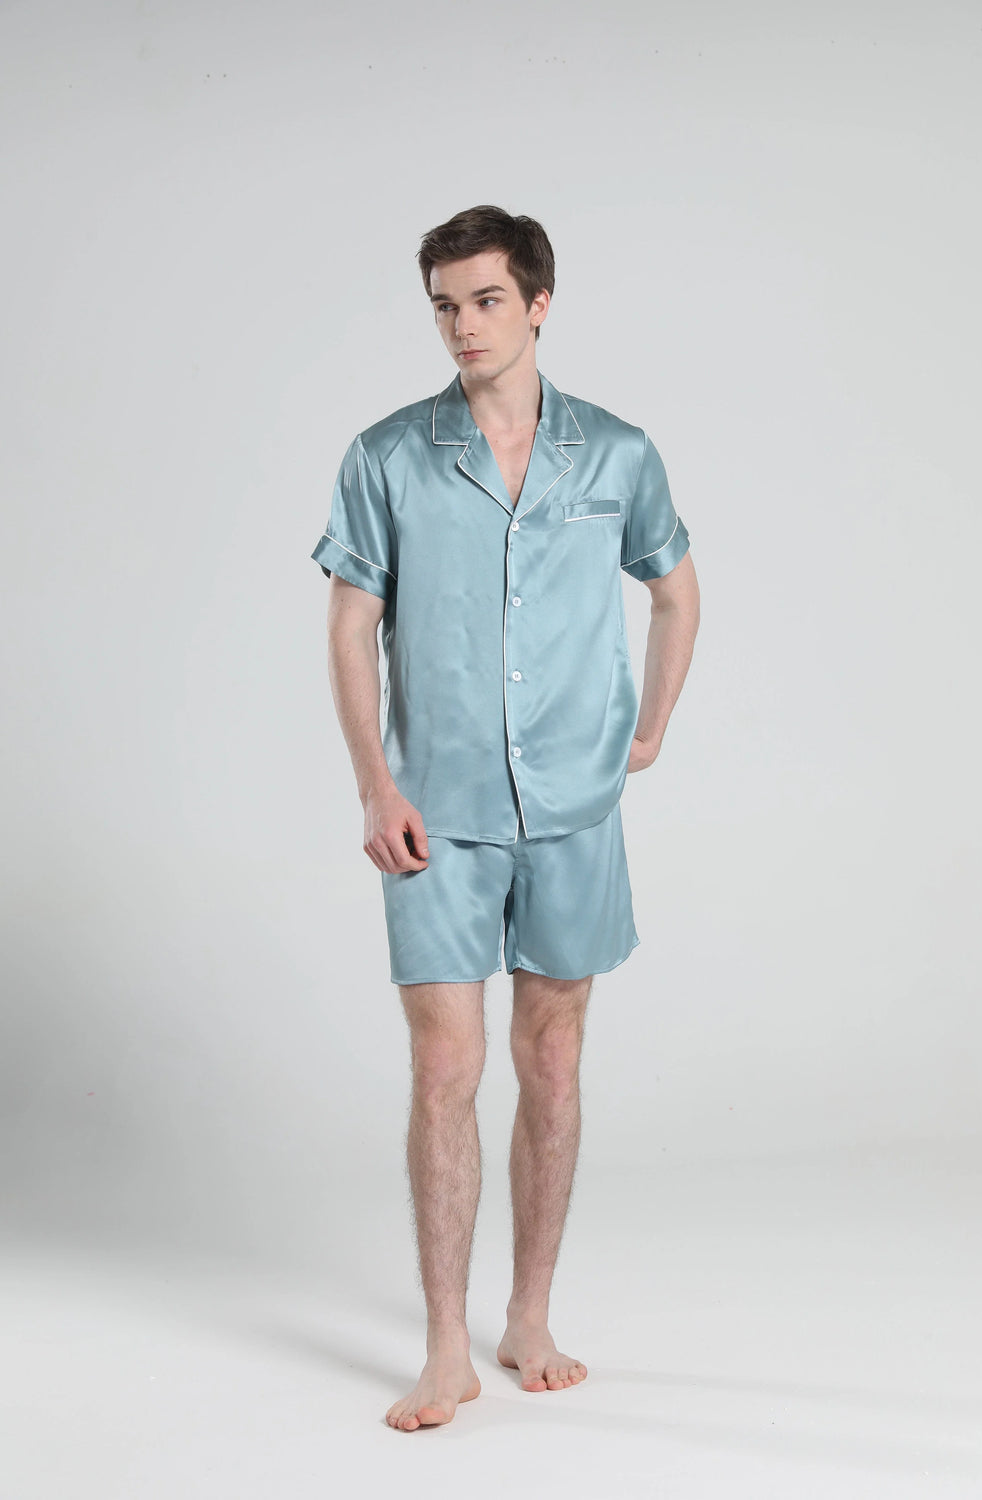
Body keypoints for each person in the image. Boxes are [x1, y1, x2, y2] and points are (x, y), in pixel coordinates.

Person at [311, 205, 700, 1431]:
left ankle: (529, 1315)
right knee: (445, 1068)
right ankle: (445, 1347)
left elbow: (676, 593)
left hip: (574, 810)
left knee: (552, 1058)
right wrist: (375, 784)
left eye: (484, 300)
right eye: (444, 304)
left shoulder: (617, 454)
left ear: (537, 303)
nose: (462, 325)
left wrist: (648, 728)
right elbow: (349, 627)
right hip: (435, 814)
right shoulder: (387, 455)